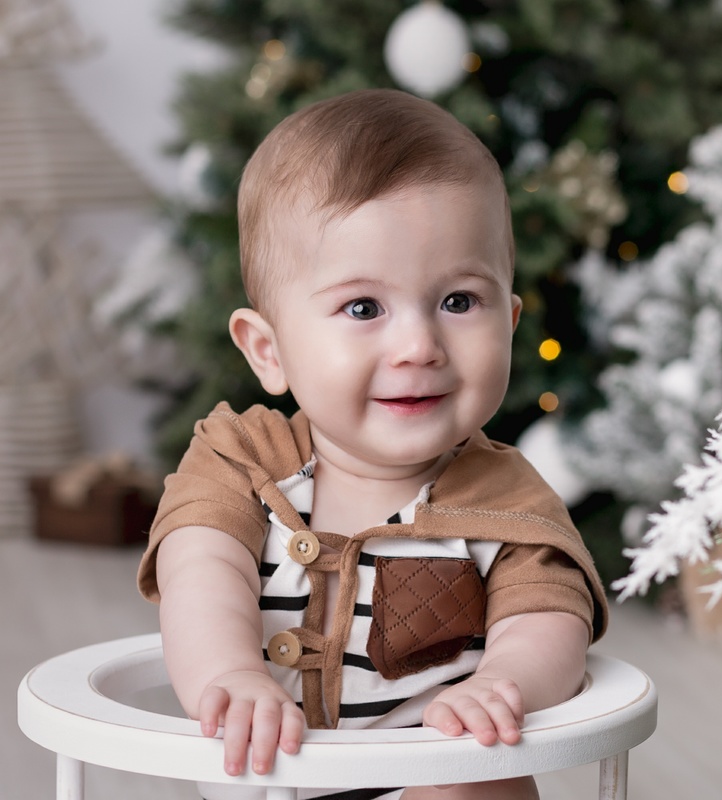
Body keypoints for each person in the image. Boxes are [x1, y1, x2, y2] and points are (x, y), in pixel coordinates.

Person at [136, 88, 608, 800]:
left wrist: (502, 683)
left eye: (459, 302)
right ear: (269, 350)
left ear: (510, 323)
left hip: (429, 779)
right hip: (273, 777)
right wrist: (228, 673)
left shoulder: (507, 500)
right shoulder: (242, 462)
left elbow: (551, 617)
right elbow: (198, 569)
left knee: (480, 789)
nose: (419, 345)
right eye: (363, 308)